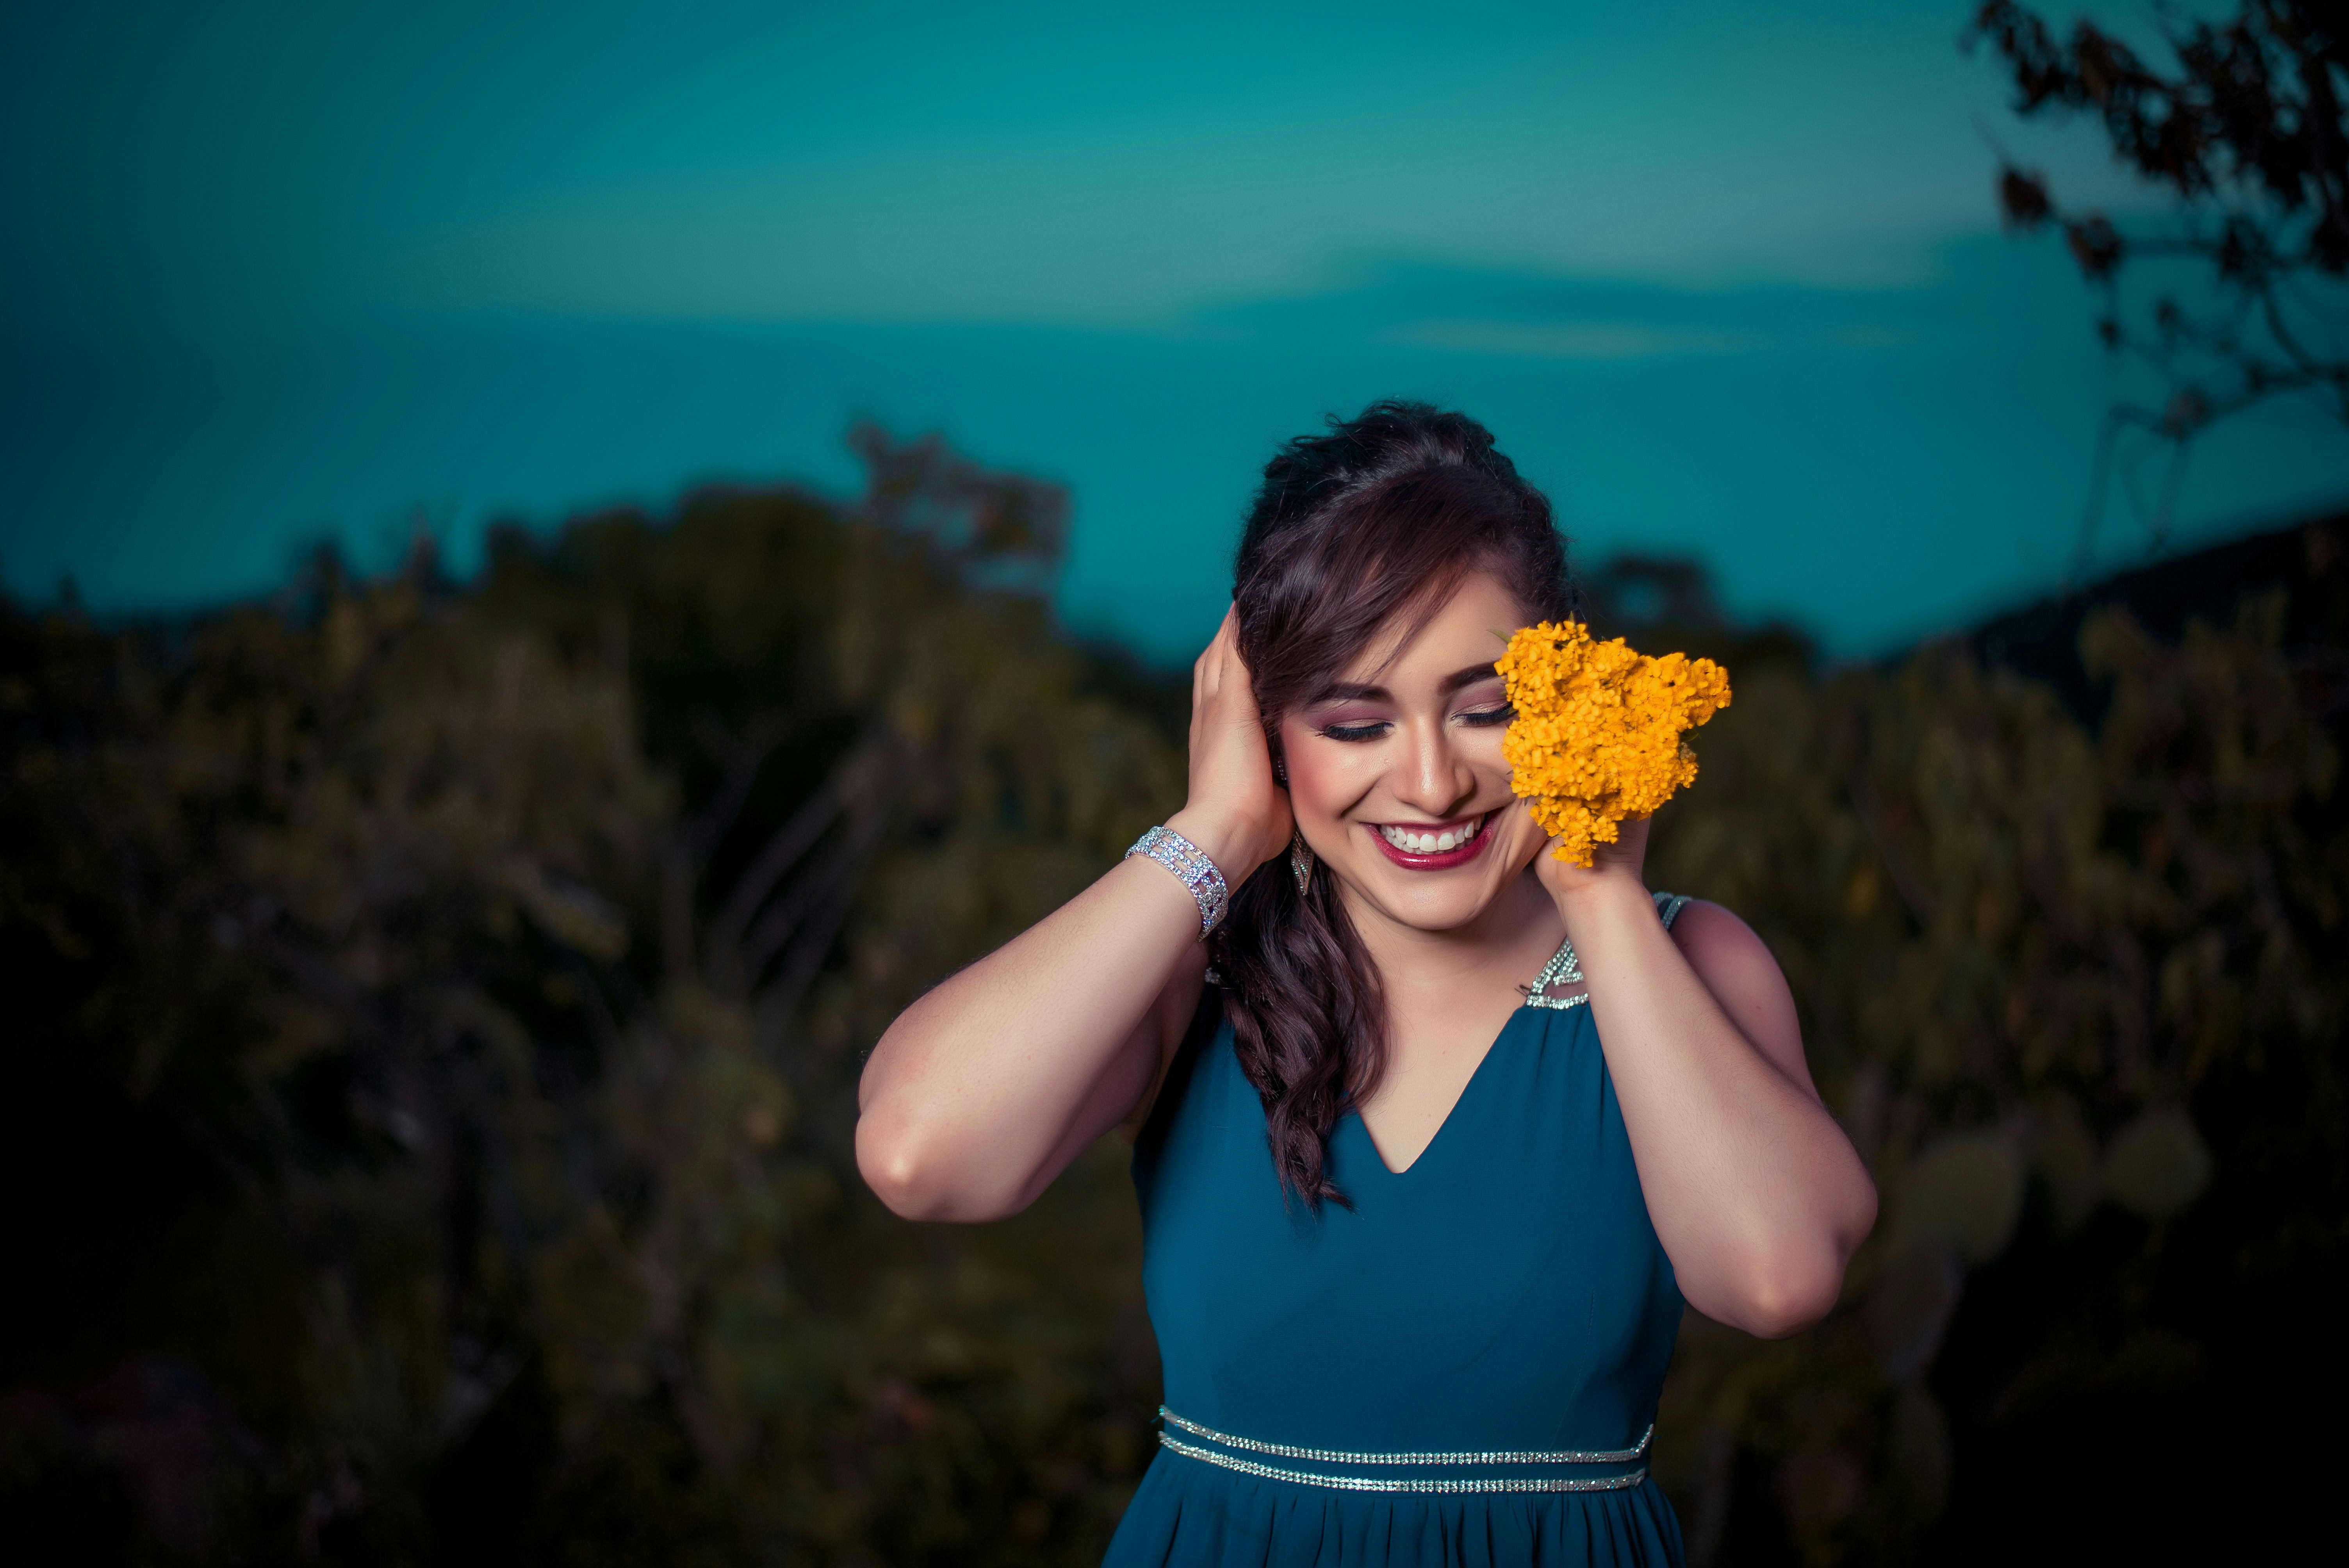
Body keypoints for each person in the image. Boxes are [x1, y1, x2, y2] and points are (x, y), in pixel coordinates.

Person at [855, 401, 1877, 1566]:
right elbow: (917, 1156)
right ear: (1261, 724)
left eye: (1486, 710)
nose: (1433, 783)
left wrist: (1600, 898)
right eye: (1354, 722)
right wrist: (1218, 828)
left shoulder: (1687, 963)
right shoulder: (1198, 968)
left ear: (1562, 691)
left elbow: (1778, 1277)